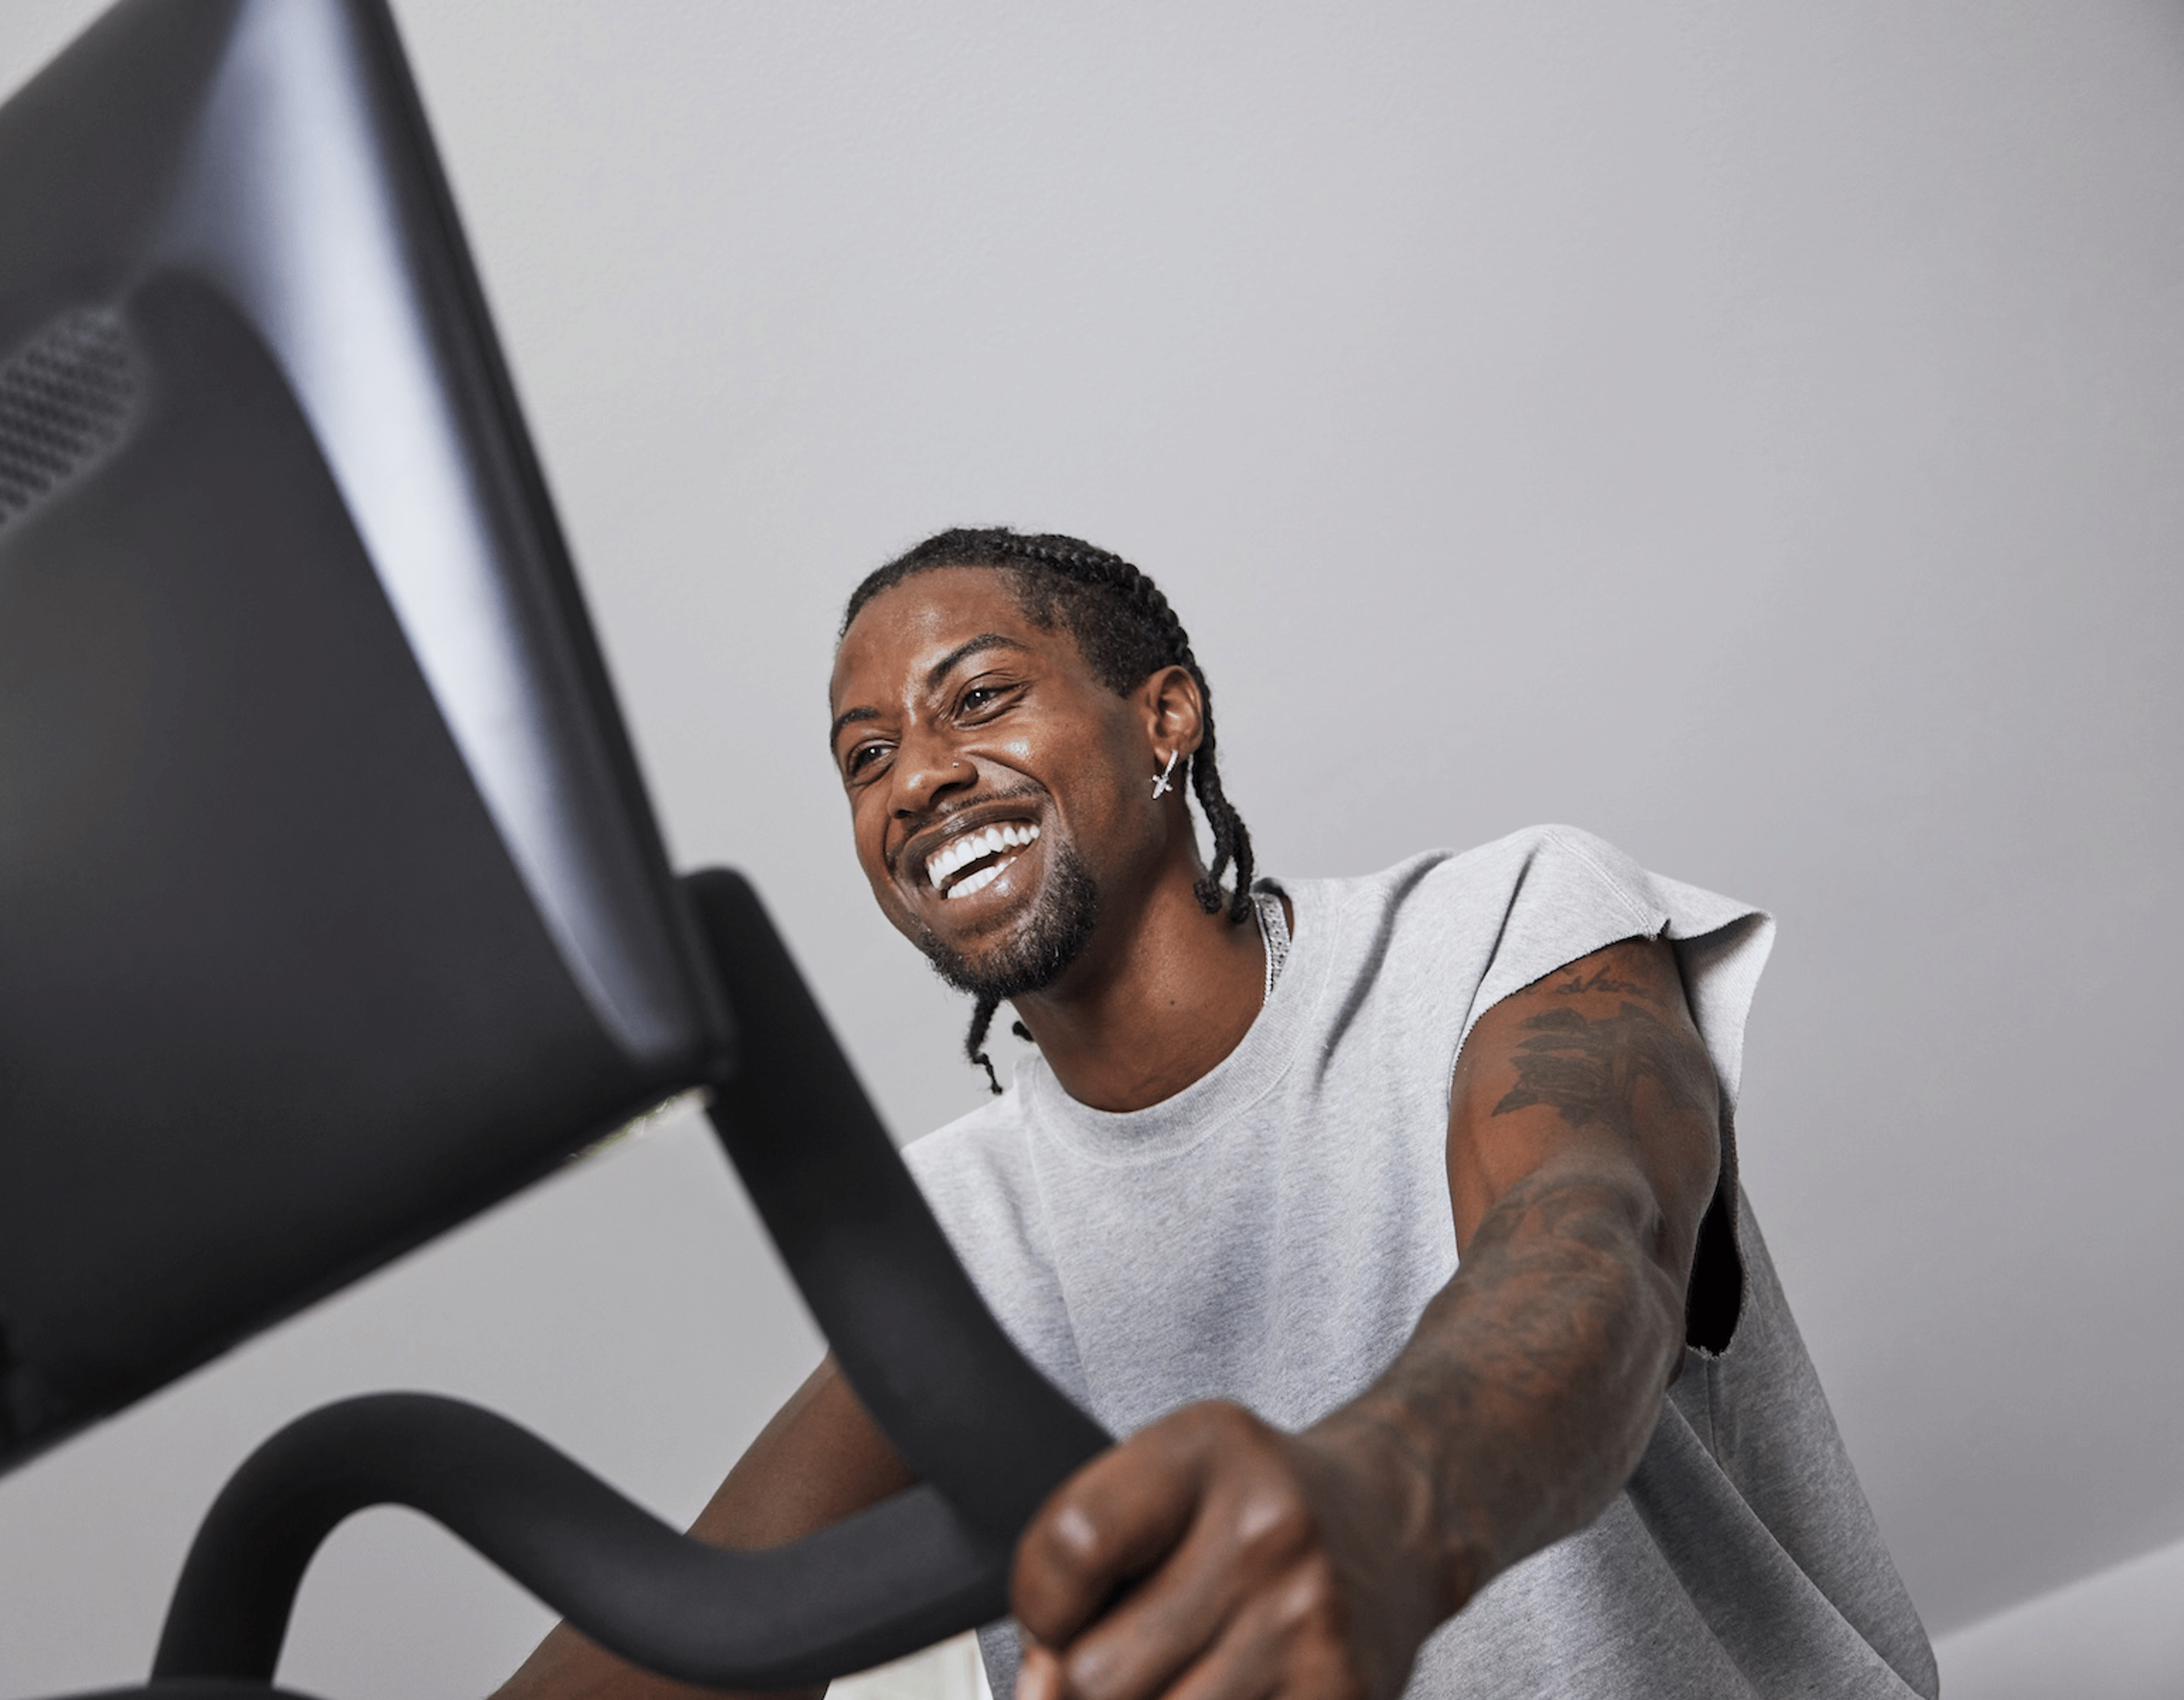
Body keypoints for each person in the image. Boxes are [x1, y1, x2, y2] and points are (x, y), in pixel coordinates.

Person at [500, 528, 1939, 1700]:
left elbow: (1589, 1248)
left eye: (978, 698)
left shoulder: (1496, 929)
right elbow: (709, 1614)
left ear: (1165, 716)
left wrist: (1386, 1502)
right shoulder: (953, 1231)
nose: (917, 779)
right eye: (864, 756)